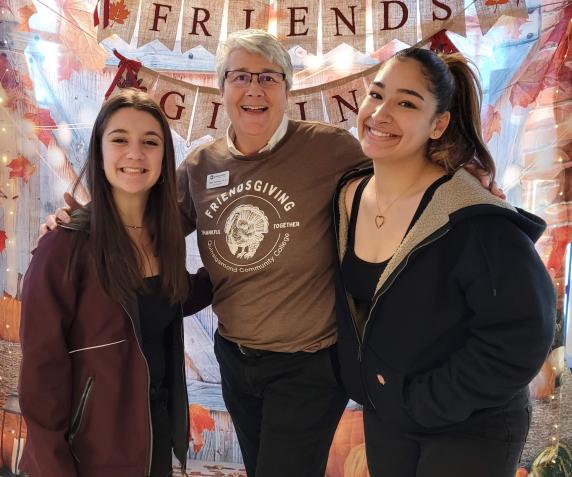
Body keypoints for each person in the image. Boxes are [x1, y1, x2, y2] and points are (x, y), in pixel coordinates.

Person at [45, 31, 503, 477]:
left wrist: (463, 175)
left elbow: (403, 169)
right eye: (240, 76)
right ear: (221, 88)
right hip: (236, 358)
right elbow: (142, 223)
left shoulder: (329, 148)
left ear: (288, 88)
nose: (254, 89)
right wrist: (81, 223)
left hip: (307, 363)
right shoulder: (202, 167)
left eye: (269, 77)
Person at [333, 48, 555, 477]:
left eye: (406, 103)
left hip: (471, 426)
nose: (380, 113)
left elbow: (525, 332)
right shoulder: (347, 196)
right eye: (376, 95)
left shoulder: (475, 218)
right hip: (390, 419)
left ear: (439, 124)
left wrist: (427, 400)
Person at [19, 89, 212, 477]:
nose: (135, 154)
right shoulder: (65, 245)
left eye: (150, 142)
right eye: (120, 139)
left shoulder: (164, 238)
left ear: (163, 157)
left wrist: (250, 263)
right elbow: (41, 375)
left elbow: (169, 299)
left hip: (153, 436)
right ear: (100, 151)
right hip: (90, 448)